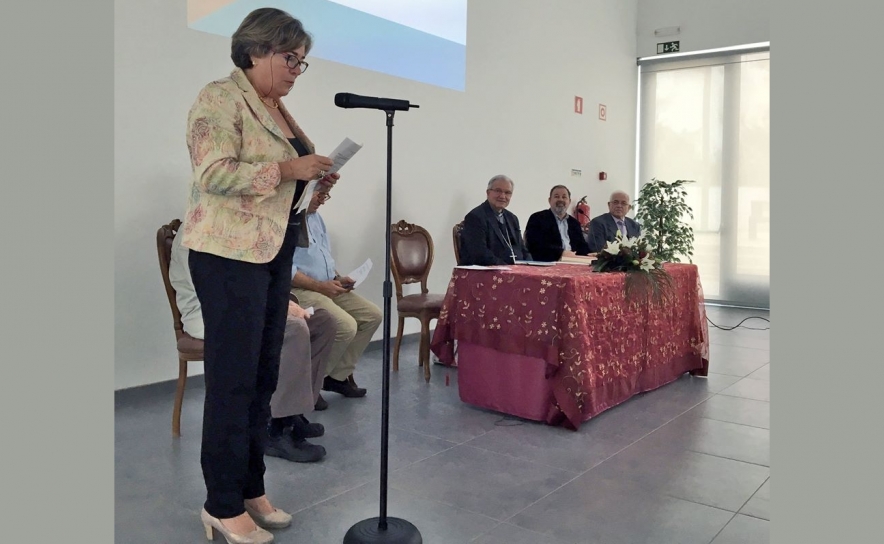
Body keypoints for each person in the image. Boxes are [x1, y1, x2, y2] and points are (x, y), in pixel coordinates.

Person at [180, 8, 340, 543]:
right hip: (227, 258)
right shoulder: (218, 98)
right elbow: (214, 173)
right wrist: (292, 169)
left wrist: (312, 186)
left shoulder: (275, 108)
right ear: (256, 51)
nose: (297, 69)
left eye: (301, 60)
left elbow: (278, 192)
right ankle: (220, 504)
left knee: (262, 378)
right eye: (290, 58)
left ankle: (250, 488)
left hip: (271, 256)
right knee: (232, 382)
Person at [170, 229, 336, 465]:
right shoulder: (198, 235)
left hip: (244, 306)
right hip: (208, 315)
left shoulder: (230, 230)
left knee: (324, 322)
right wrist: (281, 307)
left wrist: (282, 302)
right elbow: (222, 290)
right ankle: (275, 429)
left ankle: (294, 412)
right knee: (294, 329)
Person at [290, 188, 382, 399]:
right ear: (303, 192)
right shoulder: (289, 221)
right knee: (345, 325)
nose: (322, 200)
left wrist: (338, 279)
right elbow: (285, 269)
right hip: (300, 290)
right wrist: (321, 286)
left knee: (372, 316)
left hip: (326, 284)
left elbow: (323, 258)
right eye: (318, 194)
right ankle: (307, 386)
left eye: (325, 195)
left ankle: (336, 377)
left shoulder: (316, 219)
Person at [459, 175, 532, 265]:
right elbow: (479, 254)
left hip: (514, 271)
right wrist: (507, 268)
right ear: (488, 192)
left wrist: (530, 264)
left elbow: (522, 249)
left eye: (507, 192)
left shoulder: (512, 218)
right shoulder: (475, 217)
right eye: (498, 191)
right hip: (487, 272)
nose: (502, 196)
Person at [524, 185, 592, 261]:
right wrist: (561, 253)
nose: (560, 200)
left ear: (569, 201)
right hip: (549, 263)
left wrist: (590, 254)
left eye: (564, 197)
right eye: (556, 196)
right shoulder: (537, 218)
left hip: (573, 262)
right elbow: (534, 245)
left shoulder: (574, 223)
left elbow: (581, 246)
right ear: (549, 200)